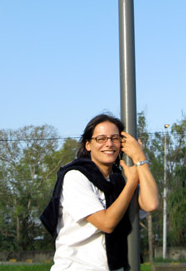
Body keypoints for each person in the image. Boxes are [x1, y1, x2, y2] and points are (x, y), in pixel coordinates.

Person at [40, 113, 159, 271]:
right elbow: (106, 223)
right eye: (101, 139)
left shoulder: (118, 179)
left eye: (115, 138)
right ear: (88, 144)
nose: (109, 144)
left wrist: (139, 157)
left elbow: (151, 204)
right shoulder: (75, 177)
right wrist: (132, 183)